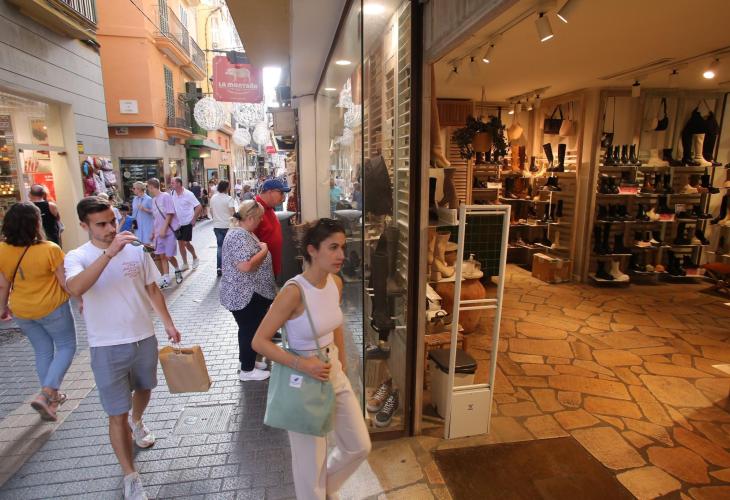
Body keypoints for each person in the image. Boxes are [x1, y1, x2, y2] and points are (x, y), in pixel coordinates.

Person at [64, 196, 181, 500]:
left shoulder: (136, 250)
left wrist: (168, 324)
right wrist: (109, 254)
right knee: (116, 413)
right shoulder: (77, 256)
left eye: (112, 221)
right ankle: (130, 475)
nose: (110, 229)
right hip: (105, 345)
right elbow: (75, 288)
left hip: (143, 337)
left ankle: (138, 421)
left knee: (145, 388)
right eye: (101, 224)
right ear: (84, 226)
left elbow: (152, 288)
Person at [252, 218, 371, 499]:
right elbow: (259, 341)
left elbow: (335, 325)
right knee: (310, 466)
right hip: (303, 377)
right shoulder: (294, 292)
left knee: (359, 445)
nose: (341, 255)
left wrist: (343, 366)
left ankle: (325, 491)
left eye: (343, 247)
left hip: (333, 371)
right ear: (312, 250)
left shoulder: (336, 283)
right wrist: (302, 364)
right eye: (333, 247)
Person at [0, 202, 76, 422]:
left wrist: (3, 307)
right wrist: (82, 299)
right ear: (36, 223)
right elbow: (64, 282)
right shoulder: (50, 249)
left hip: (22, 310)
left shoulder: (2, 250)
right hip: (52, 307)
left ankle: (52, 401)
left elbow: (3, 284)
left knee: (43, 351)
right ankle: (47, 394)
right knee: (66, 346)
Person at [221, 201, 276, 381]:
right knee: (249, 330)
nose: (261, 221)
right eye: (259, 218)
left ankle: (247, 361)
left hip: (247, 293)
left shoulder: (243, 232)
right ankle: (247, 370)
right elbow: (246, 266)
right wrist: (264, 250)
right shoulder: (238, 235)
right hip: (244, 294)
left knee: (248, 329)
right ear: (250, 218)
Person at [146, 178, 182, 289]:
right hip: (158, 233)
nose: (148, 189)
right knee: (161, 255)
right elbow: (155, 218)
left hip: (168, 232)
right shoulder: (153, 200)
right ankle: (166, 277)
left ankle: (177, 270)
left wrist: (164, 229)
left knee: (169, 256)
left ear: (152, 187)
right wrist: (153, 232)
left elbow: (170, 214)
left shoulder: (166, 196)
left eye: (148, 187)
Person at [254, 178, 290, 278]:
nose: (283, 198)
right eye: (281, 193)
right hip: (261, 273)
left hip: (270, 270)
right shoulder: (255, 210)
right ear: (270, 192)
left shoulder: (269, 208)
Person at [170, 177, 202, 271]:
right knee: (180, 244)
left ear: (179, 184)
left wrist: (194, 219)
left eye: (173, 183)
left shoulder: (188, 194)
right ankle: (185, 263)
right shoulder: (172, 193)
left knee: (186, 243)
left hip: (187, 222)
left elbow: (199, 206)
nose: (171, 184)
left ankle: (195, 257)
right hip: (177, 223)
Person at [209, 180, 237, 277]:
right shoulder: (229, 199)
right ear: (226, 188)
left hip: (217, 226)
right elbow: (232, 212)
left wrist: (216, 219)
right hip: (228, 226)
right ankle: (230, 267)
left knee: (220, 247)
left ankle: (219, 267)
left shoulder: (213, 198)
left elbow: (211, 211)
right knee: (230, 247)